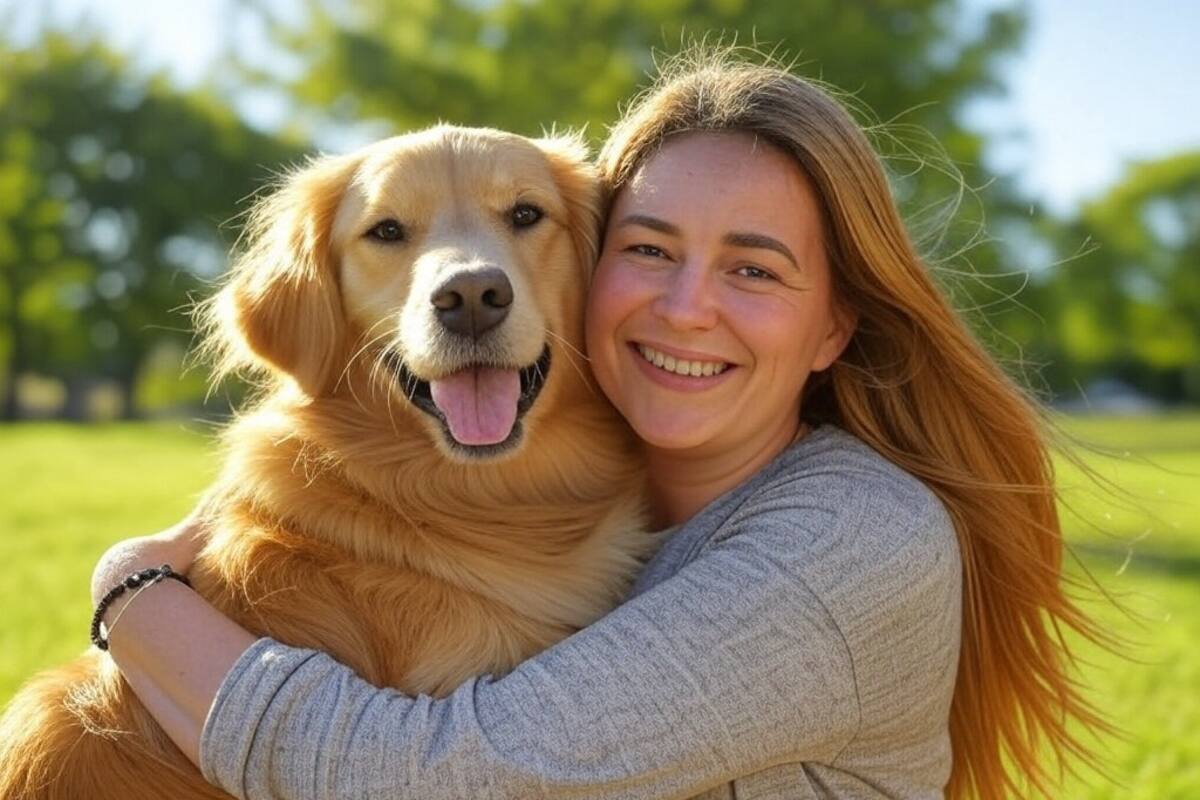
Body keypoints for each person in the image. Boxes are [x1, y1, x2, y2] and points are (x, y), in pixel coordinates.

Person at [92, 49, 1104, 799]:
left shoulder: (843, 544)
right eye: (652, 249)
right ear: (600, 266)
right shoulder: (610, 517)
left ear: (836, 322)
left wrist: (132, 593)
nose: (683, 307)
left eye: (753, 269)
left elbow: (417, 780)